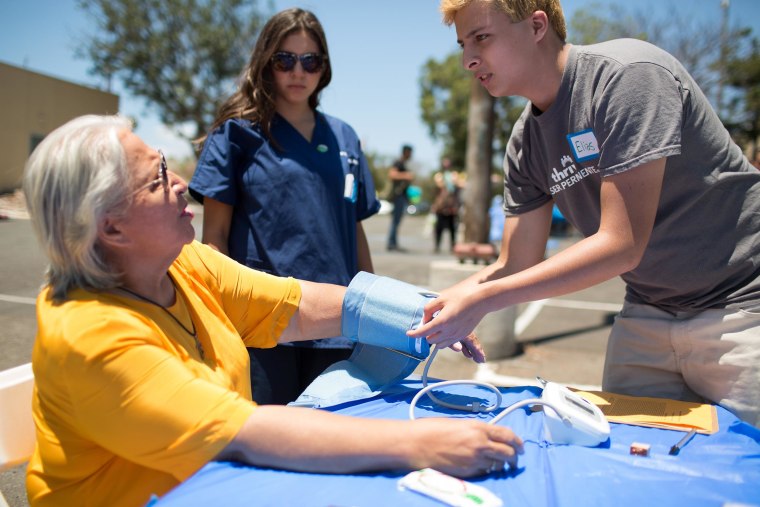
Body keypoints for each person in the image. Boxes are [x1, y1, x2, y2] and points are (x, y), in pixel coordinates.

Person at [21, 115, 523, 507]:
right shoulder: (90, 337)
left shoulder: (180, 261)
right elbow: (245, 431)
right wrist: (425, 444)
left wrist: (426, 312)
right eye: (155, 178)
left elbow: (292, 306)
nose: (180, 181)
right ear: (110, 229)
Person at [410, 0, 760, 427]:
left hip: (741, 307)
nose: (468, 60)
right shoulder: (524, 145)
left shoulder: (628, 77)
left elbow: (621, 245)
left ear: (537, 26)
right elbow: (515, 263)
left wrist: (481, 299)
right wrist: (439, 305)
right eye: (463, 44)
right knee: (627, 468)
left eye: (481, 38)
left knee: (742, 475)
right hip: (649, 312)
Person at [189, 9, 379, 404]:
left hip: (337, 322)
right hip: (262, 325)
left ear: (323, 68)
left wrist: (374, 309)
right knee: (268, 445)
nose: (298, 71)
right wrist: (217, 321)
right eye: (285, 59)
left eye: (310, 61)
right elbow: (214, 241)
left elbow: (354, 229)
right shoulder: (236, 134)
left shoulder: (345, 137)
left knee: (333, 444)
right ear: (266, 62)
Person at [386, 144, 415, 251]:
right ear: (406, 152)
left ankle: (393, 242)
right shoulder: (398, 162)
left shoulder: (403, 163)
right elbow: (392, 174)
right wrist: (406, 175)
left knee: (397, 221)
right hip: (397, 196)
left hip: (402, 196)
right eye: (410, 152)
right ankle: (391, 243)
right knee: (395, 220)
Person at [431, 157, 463, 253]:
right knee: (439, 227)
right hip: (441, 205)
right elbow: (438, 186)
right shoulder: (439, 175)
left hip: (452, 204)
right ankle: (437, 245)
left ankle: (453, 245)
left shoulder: (454, 175)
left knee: (452, 227)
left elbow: (459, 185)